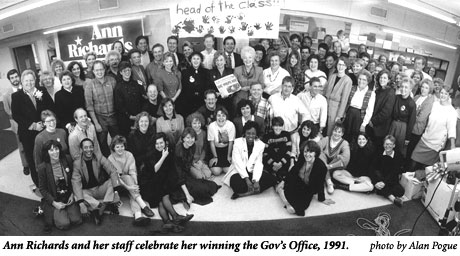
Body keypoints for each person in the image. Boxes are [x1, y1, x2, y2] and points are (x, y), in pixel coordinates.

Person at [140, 133, 193, 233]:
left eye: (161, 143)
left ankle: (167, 222)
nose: (159, 145)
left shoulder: (168, 152)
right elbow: (154, 170)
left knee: (161, 200)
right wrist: (163, 156)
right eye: (157, 144)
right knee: (164, 195)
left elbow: (171, 169)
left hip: (158, 182)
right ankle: (175, 216)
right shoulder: (150, 154)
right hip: (148, 183)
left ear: (165, 143)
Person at [12, 70, 54, 188]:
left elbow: (50, 107)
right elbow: (16, 115)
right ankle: (40, 185)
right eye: (26, 81)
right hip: (28, 133)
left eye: (31, 80)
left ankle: (52, 181)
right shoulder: (16, 96)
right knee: (33, 159)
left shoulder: (42, 91)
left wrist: (46, 122)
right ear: (22, 81)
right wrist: (34, 125)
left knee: (47, 156)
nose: (29, 83)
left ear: (35, 80)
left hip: (44, 130)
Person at [72, 138, 122, 225]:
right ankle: (102, 205)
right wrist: (81, 204)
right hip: (88, 192)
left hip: (100, 188)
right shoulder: (77, 163)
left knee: (112, 182)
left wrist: (117, 192)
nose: (89, 150)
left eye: (91, 147)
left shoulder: (99, 157)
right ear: (81, 149)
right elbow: (76, 182)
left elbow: (113, 171)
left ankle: (102, 207)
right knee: (76, 195)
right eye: (86, 147)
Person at [277, 140, 333, 216]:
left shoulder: (321, 167)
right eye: (305, 151)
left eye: (311, 152)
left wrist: (322, 199)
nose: (307, 154)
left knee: (297, 210)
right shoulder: (302, 157)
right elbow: (294, 170)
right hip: (297, 182)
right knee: (284, 186)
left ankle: (283, 197)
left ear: (315, 153)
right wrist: (284, 181)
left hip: (307, 189)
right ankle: (282, 193)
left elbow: (320, 184)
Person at [223, 121, 277, 199]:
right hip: (239, 171)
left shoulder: (260, 144)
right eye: (248, 133)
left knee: (272, 179)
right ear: (244, 133)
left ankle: (244, 194)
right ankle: (255, 191)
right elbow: (237, 162)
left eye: (253, 133)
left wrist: (256, 180)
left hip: (252, 170)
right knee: (235, 183)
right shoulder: (237, 142)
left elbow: (258, 163)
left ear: (256, 134)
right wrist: (247, 179)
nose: (250, 136)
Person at [108, 135, 154, 225]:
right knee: (128, 179)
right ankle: (143, 205)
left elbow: (133, 171)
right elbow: (116, 176)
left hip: (129, 181)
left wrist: (135, 185)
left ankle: (138, 216)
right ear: (113, 148)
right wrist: (129, 187)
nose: (120, 149)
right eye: (117, 147)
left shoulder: (129, 155)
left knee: (131, 181)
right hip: (117, 183)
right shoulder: (110, 158)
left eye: (122, 146)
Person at [409, 84, 457, 170]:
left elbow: (452, 130)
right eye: (442, 93)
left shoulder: (452, 112)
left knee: (426, 168)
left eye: (446, 94)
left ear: (449, 96)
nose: (443, 95)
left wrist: (452, 146)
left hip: (436, 144)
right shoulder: (435, 104)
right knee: (413, 159)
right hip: (425, 138)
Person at [38, 140, 82, 233]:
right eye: (51, 150)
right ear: (47, 152)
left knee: (77, 220)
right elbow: (42, 189)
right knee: (64, 224)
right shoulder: (42, 168)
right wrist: (54, 203)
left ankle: (65, 211)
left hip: (68, 195)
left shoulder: (67, 159)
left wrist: (73, 194)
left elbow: (74, 179)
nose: (55, 152)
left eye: (56, 149)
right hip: (55, 198)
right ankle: (47, 209)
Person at [172, 128, 219, 206]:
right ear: (183, 138)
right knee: (199, 190)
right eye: (188, 138)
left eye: (192, 138)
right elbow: (179, 173)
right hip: (177, 177)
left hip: (186, 173)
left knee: (210, 186)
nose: (190, 140)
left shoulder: (192, 146)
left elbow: (189, 163)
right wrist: (187, 194)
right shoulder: (178, 152)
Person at [84, 60, 118, 156]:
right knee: (103, 144)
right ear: (93, 71)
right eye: (97, 70)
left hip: (113, 116)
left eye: (101, 69)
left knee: (117, 141)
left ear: (104, 69)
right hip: (100, 118)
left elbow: (118, 99)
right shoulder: (89, 85)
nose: (99, 72)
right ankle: (107, 164)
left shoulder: (112, 80)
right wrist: (96, 123)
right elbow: (89, 106)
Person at [3, 69, 29, 175]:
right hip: (17, 123)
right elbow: (7, 110)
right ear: (10, 80)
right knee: (22, 146)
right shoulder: (7, 95)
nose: (15, 79)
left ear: (19, 77)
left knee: (31, 142)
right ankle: (26, 165)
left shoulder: (26, 88)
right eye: (12, 78)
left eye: (16, 76)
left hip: (30, 120)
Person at [406, 79, 435, 163]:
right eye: (422, 87)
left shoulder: (429, 101)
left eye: (426, 88)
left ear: (429, 90)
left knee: (410, 151)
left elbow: (421, 118)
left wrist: (409, 116)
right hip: (408, 127)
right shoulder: (417, 97)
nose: (423, 89)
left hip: (416, 130)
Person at [371, 135, 405, 207]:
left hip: (390, 179)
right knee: (377, 177)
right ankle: (392, 198)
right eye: (386, 144)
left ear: (394, 145)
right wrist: (375, 182)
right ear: (383, 144)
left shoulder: (398, 156)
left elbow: (394, 172)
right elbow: (373, 168)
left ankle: (380, 190)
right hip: (379, 177)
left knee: (401, 191)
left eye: (390, 144)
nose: (388, 146)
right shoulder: (378, 153)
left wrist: (384, 182)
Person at [366, 70, 396, 152]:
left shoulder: (390, 92)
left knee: (376, 151)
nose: (382, 80)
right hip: (371, 125)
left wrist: (373, 121)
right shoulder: (378, 91)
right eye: (381, 77)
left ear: (389, 80)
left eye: (385, 78)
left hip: (380, 128)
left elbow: (386, 112)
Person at [343, 69, 375, 143]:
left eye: (364, 80)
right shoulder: (352, 88)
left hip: (359, 117)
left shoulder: (371, 93)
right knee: (345, 135)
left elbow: (370, 111)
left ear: (368, 81)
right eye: (360, 79)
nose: (361, 81)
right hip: (348, 115)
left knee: (354, 138)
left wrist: (364, 124)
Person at [114, 61, 145, 137]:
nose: (127, 72)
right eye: (124, 71)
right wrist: (130, 116)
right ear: (121, 72)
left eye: (129, 70)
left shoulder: (137, 83)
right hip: (126, 119)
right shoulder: (118, 87)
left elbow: (144, 99)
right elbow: (119, 106)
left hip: (139, 116)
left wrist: (140, 114)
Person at [318, 122, 350, 195]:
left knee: (340, 157)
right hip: (325, 163)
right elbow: (317, 148)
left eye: (339, 132)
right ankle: (329, 183)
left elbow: (346, 159)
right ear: (332, 131)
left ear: (342, 134)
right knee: (320, 154)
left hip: (335, 166)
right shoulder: (326, 139)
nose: (337, 133)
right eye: (335, 131)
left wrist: (330, 166)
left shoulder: (344, 143)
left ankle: (326, 176)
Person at [324, 57, 352, 136]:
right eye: (339, 64)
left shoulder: (347, 80)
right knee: (323, 127)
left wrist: (339, 115)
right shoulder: (332, 76)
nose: (341, 67)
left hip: (336, 108)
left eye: (343, 65)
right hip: (326, 104)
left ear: (346, 66)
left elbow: (344, 100)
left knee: (330, 130)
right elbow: (326, 91)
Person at [388, 77, 416, 157]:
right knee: (389, 144)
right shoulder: (396, 98)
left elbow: (411, 122)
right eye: (402, 86)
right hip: (393, 124)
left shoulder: (411, 103)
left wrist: (407, 137)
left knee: (398, 148)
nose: (403, 89)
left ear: (410, 89)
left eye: (406, 87)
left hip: (403, 128)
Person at [178, 51, 210, 117]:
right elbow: (183, 89)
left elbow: (208, 87)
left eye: (198, 59)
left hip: (202, 103)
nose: (196, 61)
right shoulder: (185, 72)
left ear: (201, 60)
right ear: (190, 60)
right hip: (188, 104)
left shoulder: (206, 72)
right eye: (194, 59)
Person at [233, 46, 264, 113]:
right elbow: (233, 86)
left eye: (250, 57)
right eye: (245, 58)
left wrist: (251, 88)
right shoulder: (237, 70)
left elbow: (262, 85)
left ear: (253, 59)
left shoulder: (259, 70)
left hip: (254, 100)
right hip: (239, 99)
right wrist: (241, 88)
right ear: (242, 59)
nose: (247, 60)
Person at [207, 107, 235, 175]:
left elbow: (231, 142)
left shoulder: (231, 125)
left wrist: (229, 156)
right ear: (215, 117)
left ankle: (223, 166)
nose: (221, 118)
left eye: (223, 116)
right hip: (216, 150)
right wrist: (215, 157)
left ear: (226, 117)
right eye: (219, 115)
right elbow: (212, 143)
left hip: (227, 150)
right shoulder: (211, 126)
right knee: (216, 172)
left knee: (228, 170)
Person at [262, 117, 292, 181]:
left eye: (280, 126)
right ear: (272, 126)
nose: (278, 128)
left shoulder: (286, 135)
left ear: (282, 126)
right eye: (276, 125)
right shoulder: (266, 136)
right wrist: (274, 164)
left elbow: (288, 152)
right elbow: (265, 153)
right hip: (271, 164)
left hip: (283, 164)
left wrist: (280, 163)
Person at [186, 112, 212, 180]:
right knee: (201, 177)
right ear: (190, 124)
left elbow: (204, 149)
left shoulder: (203, 133)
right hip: (190, 162)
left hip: (200, 160)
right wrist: (193, 163)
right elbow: (185, 151)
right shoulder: (187, 134)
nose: (197, 125)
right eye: (194, 123)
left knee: (208, 174)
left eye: (199, 123)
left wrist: (200, 161)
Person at [209, 51, 234, 117]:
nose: (219, 62)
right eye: (217, 60)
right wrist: (215, 93)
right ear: (214, 62)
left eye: (221, 60)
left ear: (225, 61)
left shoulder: (231, 71)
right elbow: (208, 87)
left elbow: (234, 86)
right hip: (216, 102)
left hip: (229, 101)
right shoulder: (210, 73)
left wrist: (228, 93)